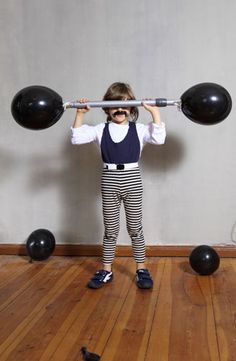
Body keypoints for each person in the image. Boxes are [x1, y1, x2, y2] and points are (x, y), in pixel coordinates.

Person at [71, 82, 166, 289]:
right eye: (114, 105)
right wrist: (80, 114)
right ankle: (106, 270)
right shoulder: (100, 129)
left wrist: (155, 113)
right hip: (109, 180)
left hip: (132, 179)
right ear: (106, 108)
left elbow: (159, 139)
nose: (120, 110)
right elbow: (77, 138)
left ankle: (141, 268)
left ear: (132, 108)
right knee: (111, 229)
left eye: (125, 105)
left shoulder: (139, 129)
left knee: (135, 228)